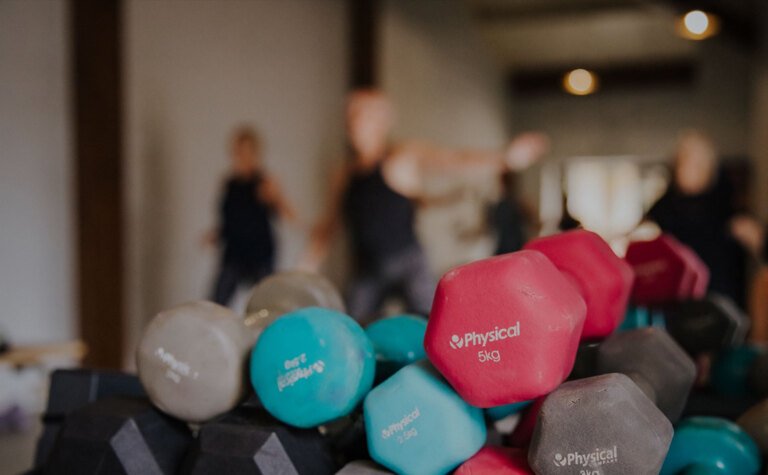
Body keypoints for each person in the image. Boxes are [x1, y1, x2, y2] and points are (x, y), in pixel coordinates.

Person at [304, 89, 547, 321]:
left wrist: (504, 158)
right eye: (351, 115)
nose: (354, 122)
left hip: (408, 262)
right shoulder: (345, 174)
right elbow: (328, 226)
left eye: (363, 115)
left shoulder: (399, 159)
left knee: (430, 322)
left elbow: (452, 159)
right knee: (350, 326)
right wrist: (305, 269)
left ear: (383, 122)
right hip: (369, 268)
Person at [646, 130, 751, 307]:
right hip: (674, 303)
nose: (690, 169)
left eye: (698, 163)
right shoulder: (662, 209)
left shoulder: (726, 205)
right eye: (685, 161)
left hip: (719, 300)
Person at [207, 126, 297, 306]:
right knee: (217, 303)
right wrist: (216, 235)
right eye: (238, 152)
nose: (242, 157)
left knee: (268, 304)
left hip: (260, 254)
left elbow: (289, 215)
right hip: (234, 253)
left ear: (255, 153)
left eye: (246, 152)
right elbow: (230, 220)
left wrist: (276, 197)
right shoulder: (229, 184)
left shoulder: (264, 182)